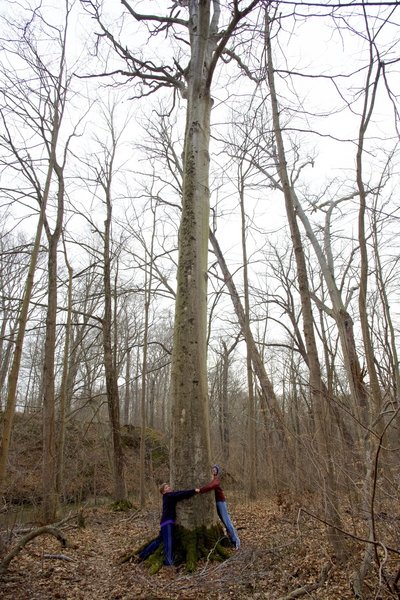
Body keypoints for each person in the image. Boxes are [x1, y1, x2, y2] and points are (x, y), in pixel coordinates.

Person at [138, 482, 200, 565]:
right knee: (168, 542)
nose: (169, 488)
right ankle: (168, 561)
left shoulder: (169, 497)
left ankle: (142, 555)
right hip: (167, 522)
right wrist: (194, 491)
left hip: (165, 522)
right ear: (163, 492)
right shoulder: (169, 496)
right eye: (166, 487)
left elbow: (179, 495)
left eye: (168, 486)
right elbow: (181, 494)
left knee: (159, 541)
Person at [199, 464, 240, 549]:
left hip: (221, 502)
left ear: (217, 472)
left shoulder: (216, 480)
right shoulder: (209, 479)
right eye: (212, 469)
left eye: (215, 470)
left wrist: (200, 490)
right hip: (216, 503)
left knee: (227, 521)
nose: (213, 470)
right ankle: (232, 540)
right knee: (224, 521)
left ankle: (237, 542)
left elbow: (211, 486)